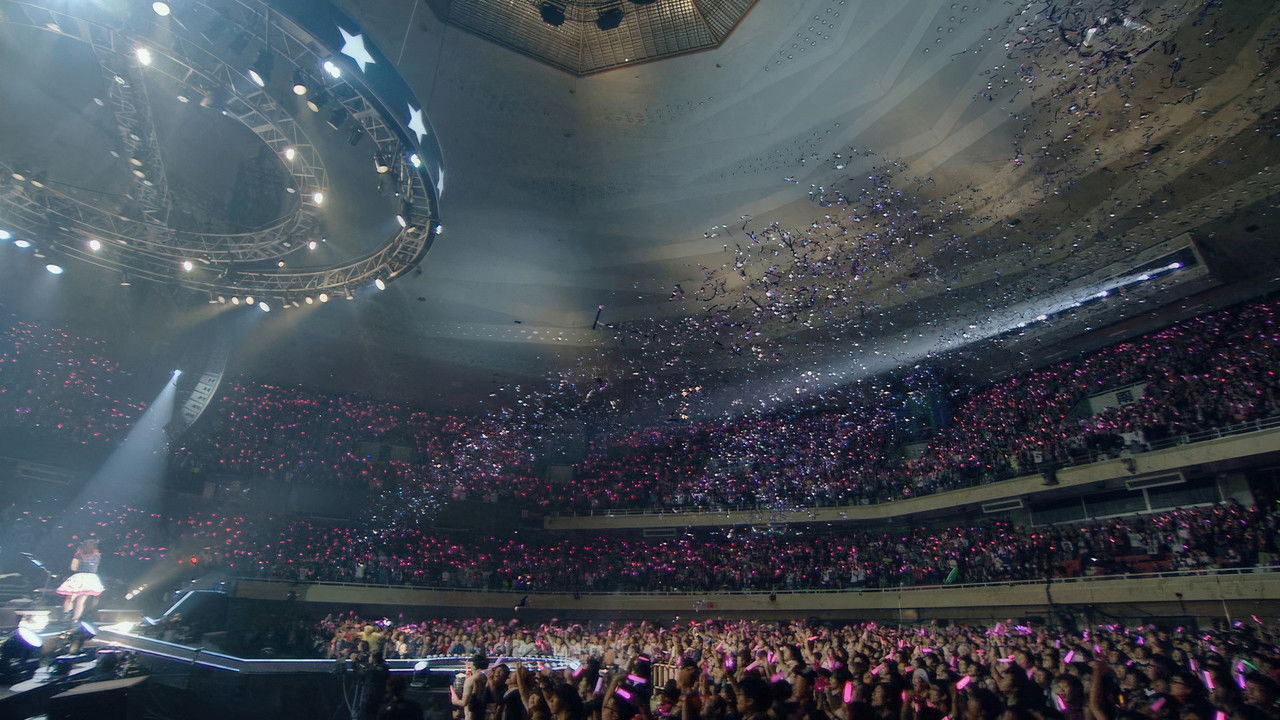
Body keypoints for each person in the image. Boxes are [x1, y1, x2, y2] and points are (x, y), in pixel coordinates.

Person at [56, 539, 103, 623]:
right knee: (81, 601)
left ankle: (66, 615)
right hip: (91, 578)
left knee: (70, 598)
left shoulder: (78, 555)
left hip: (79, 576)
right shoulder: (97, 555)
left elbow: (73, 568)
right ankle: (75, 619)